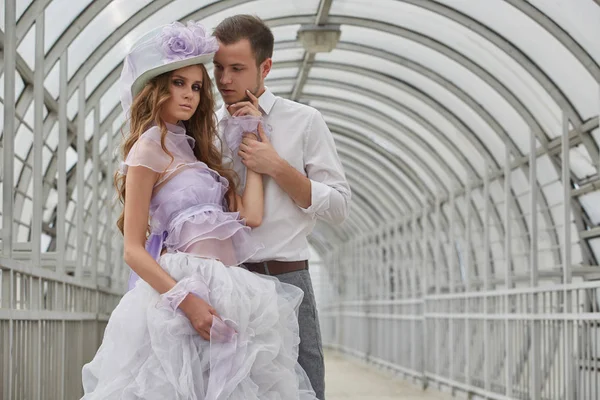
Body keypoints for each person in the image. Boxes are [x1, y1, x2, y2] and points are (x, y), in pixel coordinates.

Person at [81, 20, 318, 400]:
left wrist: (252, 136)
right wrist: (188, 304)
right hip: (185, 290)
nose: (189, 95)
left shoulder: (195, 149)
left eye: (195, 86)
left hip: (229, 287)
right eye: (178, 83)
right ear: (156, 88)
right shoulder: (147, 149)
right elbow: (133, 250)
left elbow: (251, 217)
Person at [213, 15, 351, 400]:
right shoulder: (205, 127)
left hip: (289, 282)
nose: (225, 80)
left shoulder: (304, 122)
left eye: (237, 69)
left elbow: (339, 206)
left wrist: (276, 166)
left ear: (265, 67)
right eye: (218, 68)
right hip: (226, 286)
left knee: (306, 389)